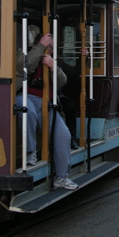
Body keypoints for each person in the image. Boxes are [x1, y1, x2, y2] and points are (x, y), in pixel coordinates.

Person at [15, 33, 77, 190]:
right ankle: (30, 152)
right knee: (27, 110)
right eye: (50, 47)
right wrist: (41, 47)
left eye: (52, 48)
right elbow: (24, 67)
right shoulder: (25, 54)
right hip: (25, 96)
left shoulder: (51, 61)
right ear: (40, 45)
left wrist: (52, 66)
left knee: (64, 135)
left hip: (45, 103)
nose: (52, 51)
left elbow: (62, 81)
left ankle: (62, 177)